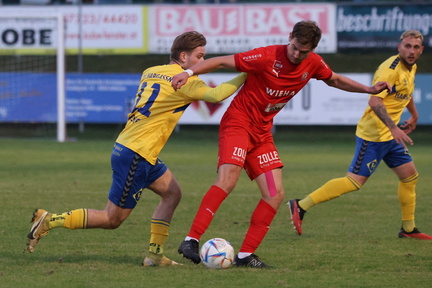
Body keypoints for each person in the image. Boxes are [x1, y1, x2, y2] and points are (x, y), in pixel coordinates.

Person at [171, 20, 391, 268]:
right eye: (295, 47)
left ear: (313, 49)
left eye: (304, 51)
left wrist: (370, 89)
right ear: (290, 37)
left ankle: (245, 255)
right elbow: (222, 61)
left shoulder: (314, 63)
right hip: (238, 124)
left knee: (275, 194)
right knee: (228, 179)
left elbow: (336, 80)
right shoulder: (266, 56)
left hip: (262, 134)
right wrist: (188, 72)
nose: (297, 54)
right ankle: (191, 239)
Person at [25, 31, 247, 266]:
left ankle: (155, 255)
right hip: (136, 154)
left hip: (136, 150)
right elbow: (216, 94)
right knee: (112, 218)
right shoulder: (185, 81)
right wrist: (247, 72)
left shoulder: (150, 71)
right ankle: (49, 220)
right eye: (200, 56)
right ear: (184, 56)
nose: (203, 62)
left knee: (172, 193)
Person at [287, 30, 432, 240]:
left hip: (391, 136)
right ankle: (300, 205)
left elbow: (405, 92)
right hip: (373, 135)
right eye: (407, 46)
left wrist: (415, 115)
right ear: (399, 47)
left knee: (410, 176)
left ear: (421, 50)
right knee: (354, 182)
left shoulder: (412, 66)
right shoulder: (390, 70)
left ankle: (408, 229)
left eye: (415, 47)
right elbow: (374, 101)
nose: (411, 51)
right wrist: (393, 127)